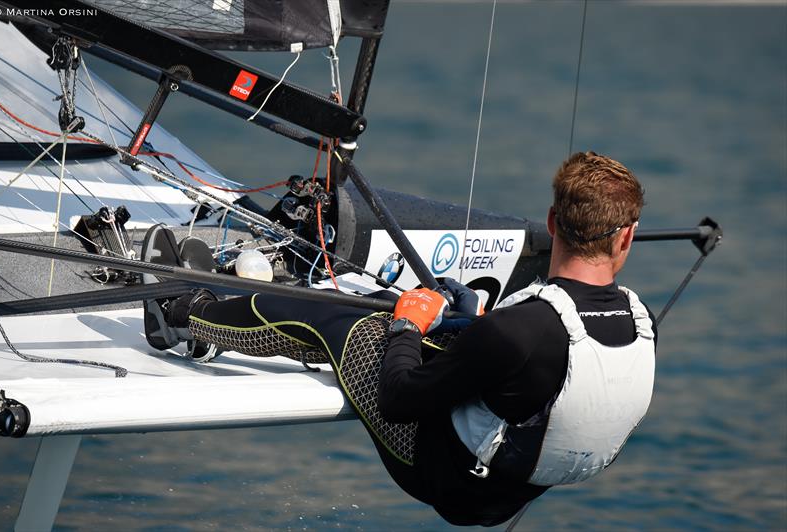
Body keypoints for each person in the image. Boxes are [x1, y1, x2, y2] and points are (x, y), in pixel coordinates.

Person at [142, 151, 657, 527]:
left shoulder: (518, 330)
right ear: (626, 236)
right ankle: (229, 322)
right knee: (405, 332)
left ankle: (186, 314)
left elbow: (399, 398)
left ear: (552, 221)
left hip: (443, 478)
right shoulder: (640, 321)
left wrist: (410, 323)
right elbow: (537, 376)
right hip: (511, 493)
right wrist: (473, 324)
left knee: (332, 317)